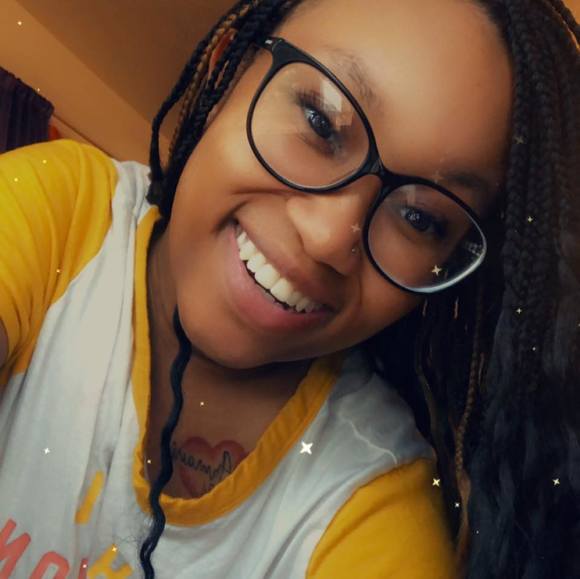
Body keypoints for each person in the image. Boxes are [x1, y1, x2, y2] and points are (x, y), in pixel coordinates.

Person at [0, 0, 578, 577]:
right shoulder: (68, 216)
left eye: (420, 218)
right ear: (227, 70)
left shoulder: (375, 499)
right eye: (320, 123)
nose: (329, 238)